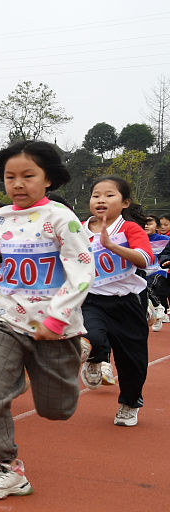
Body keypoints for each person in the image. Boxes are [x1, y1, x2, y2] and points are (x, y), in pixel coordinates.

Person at [0, 139, 93, 500]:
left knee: (56, 410)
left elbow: (82, 271)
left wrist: (58, 318)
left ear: (48, 178)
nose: (17, 184)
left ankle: (75, 354)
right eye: (10, 177)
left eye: (28, 176)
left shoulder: (61, 218)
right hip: (5, 318)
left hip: (54, 327)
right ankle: (8, 467)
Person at [78, 176, 151, 427]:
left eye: (109, 195)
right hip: (91, 299)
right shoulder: (78, 229)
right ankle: (94, 357)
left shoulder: (129, 228)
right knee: (90, 334)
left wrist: (111, 245)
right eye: (96, 195)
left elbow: (145, 259)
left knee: (132, 362)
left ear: (125, 202)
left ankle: (129, 403)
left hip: (127, 303)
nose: (101, 200)